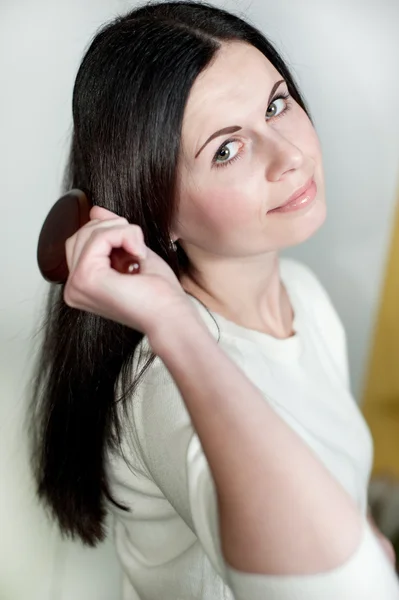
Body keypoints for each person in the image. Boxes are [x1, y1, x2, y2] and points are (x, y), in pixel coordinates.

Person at [30, 1, 398, 598]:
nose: (291, 155)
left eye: (277, 105)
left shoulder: (302, 295)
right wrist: (173, 320)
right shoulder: (162, 384)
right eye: (226, 148)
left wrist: (364, 534)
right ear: (156, 210)